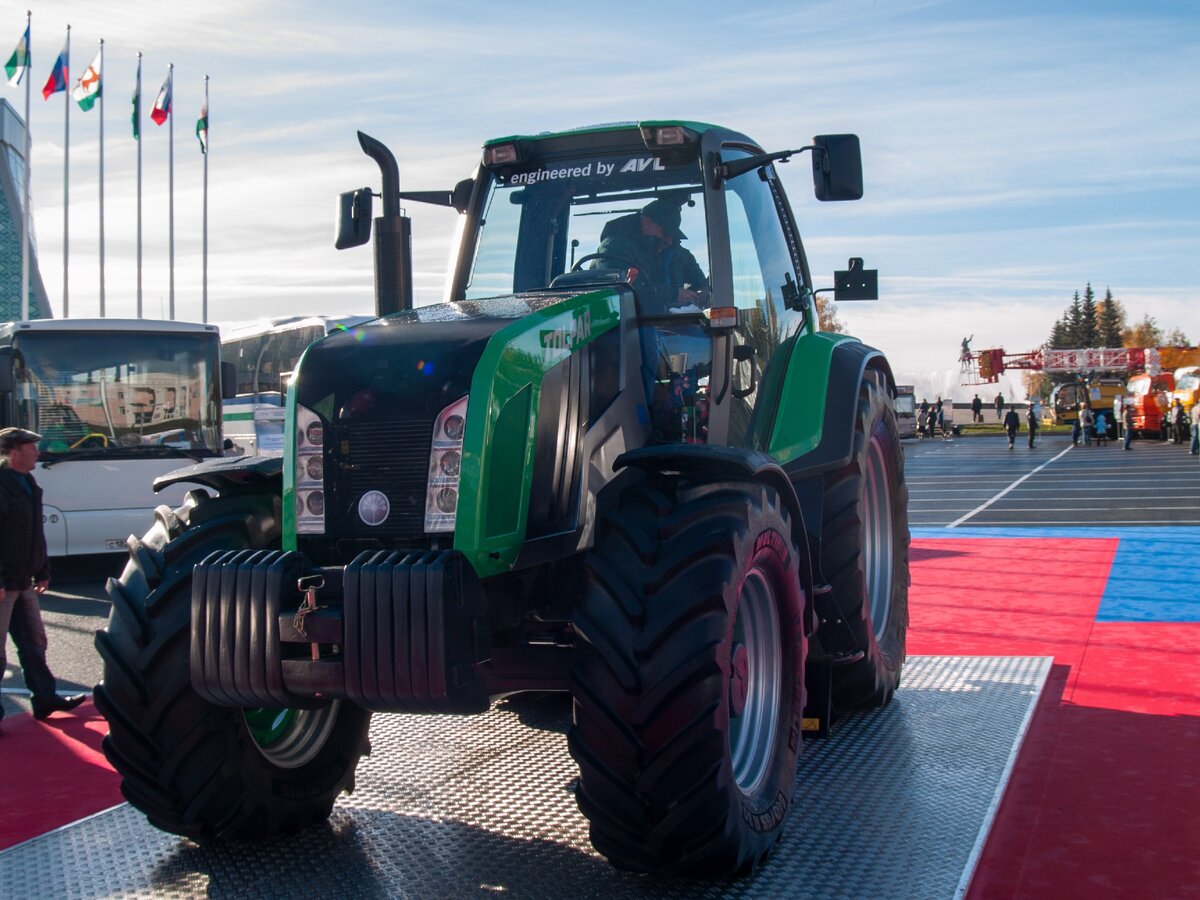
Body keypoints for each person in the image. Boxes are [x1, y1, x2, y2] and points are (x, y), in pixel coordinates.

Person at [0, 428, 88, 725]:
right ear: (14, 452)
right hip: (5, 583)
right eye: (31, 448)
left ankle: (45, 699)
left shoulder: (27, 482)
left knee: (34, 643)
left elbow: (35, 534)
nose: (38, 453)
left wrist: (43, 571)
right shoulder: (3, 485)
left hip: (23, 580)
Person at [594, 198, 709, 313]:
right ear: (647, 223)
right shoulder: (613, 248)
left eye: (672, 236)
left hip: (674, 323)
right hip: (629, 324)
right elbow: (621, 290)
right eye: (665, 233)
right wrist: (674, 294)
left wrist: (702, 292)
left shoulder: (678, 254)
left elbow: (701, 283)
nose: (669, 241)